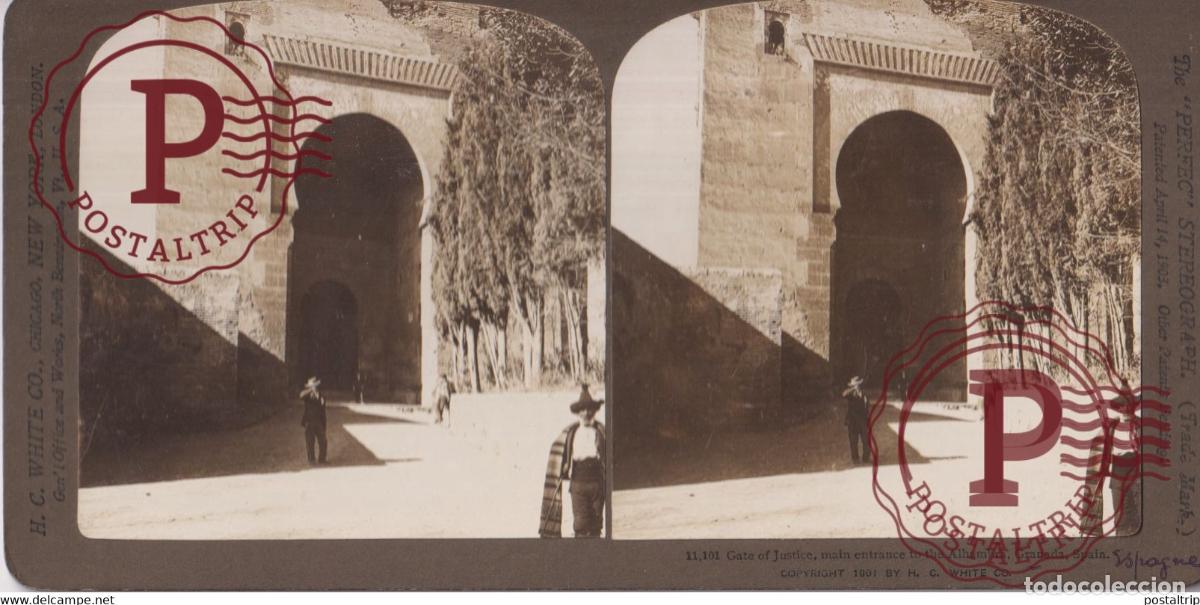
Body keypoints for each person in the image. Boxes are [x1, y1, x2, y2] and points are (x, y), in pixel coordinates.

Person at [539, 385, 606, 538]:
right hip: (578, 484)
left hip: (598, 485)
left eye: (590, 409)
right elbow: (558, 451)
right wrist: (562, 467)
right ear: (578, 412)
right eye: (583, 410)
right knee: (581, 526)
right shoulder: (570, 433)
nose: (586, 413)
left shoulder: (602, 431)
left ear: (594, 411)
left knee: (596, 525)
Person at [300, 376, 328, 464]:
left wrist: (324, 423)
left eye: (315, 385)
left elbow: (323, 410)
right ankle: (311, 460)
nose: (314, 387)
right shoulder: (307, 395)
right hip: (309, 421)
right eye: (312, 385)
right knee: (310, 442)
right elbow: (301, 395)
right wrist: (310, 390)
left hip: (319, 422)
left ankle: (322, 459)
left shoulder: (321, 395)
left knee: (323, 441)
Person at [842, 375, 869, 465]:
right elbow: (843, 394)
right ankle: (855, 458)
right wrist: (852, 389)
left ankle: (866, 458)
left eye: (858, 384)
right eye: (855, 384)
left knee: (865, 440)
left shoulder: (864, 394)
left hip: (862, 421)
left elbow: (866, 406)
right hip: (852, 421)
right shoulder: (850, 394)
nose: (857, 386)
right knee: (853, 441)